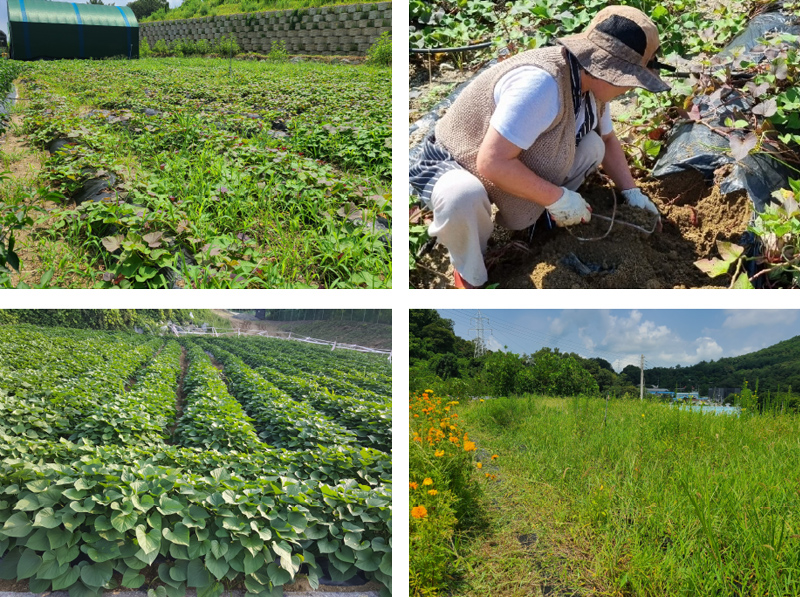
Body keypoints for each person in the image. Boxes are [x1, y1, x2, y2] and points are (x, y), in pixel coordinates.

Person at [410, 5, 674, 288]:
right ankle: (470, 273)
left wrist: (631, 193)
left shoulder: (590, 87)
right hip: (460, 162)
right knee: (461, 196)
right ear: (606, 71)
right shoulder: (542, 85)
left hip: (508, 158)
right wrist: (557, 197)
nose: (631, 89)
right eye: (629, 81)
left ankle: (539, 219)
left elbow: (609, 141)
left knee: (593, 145)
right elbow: (491, 162)